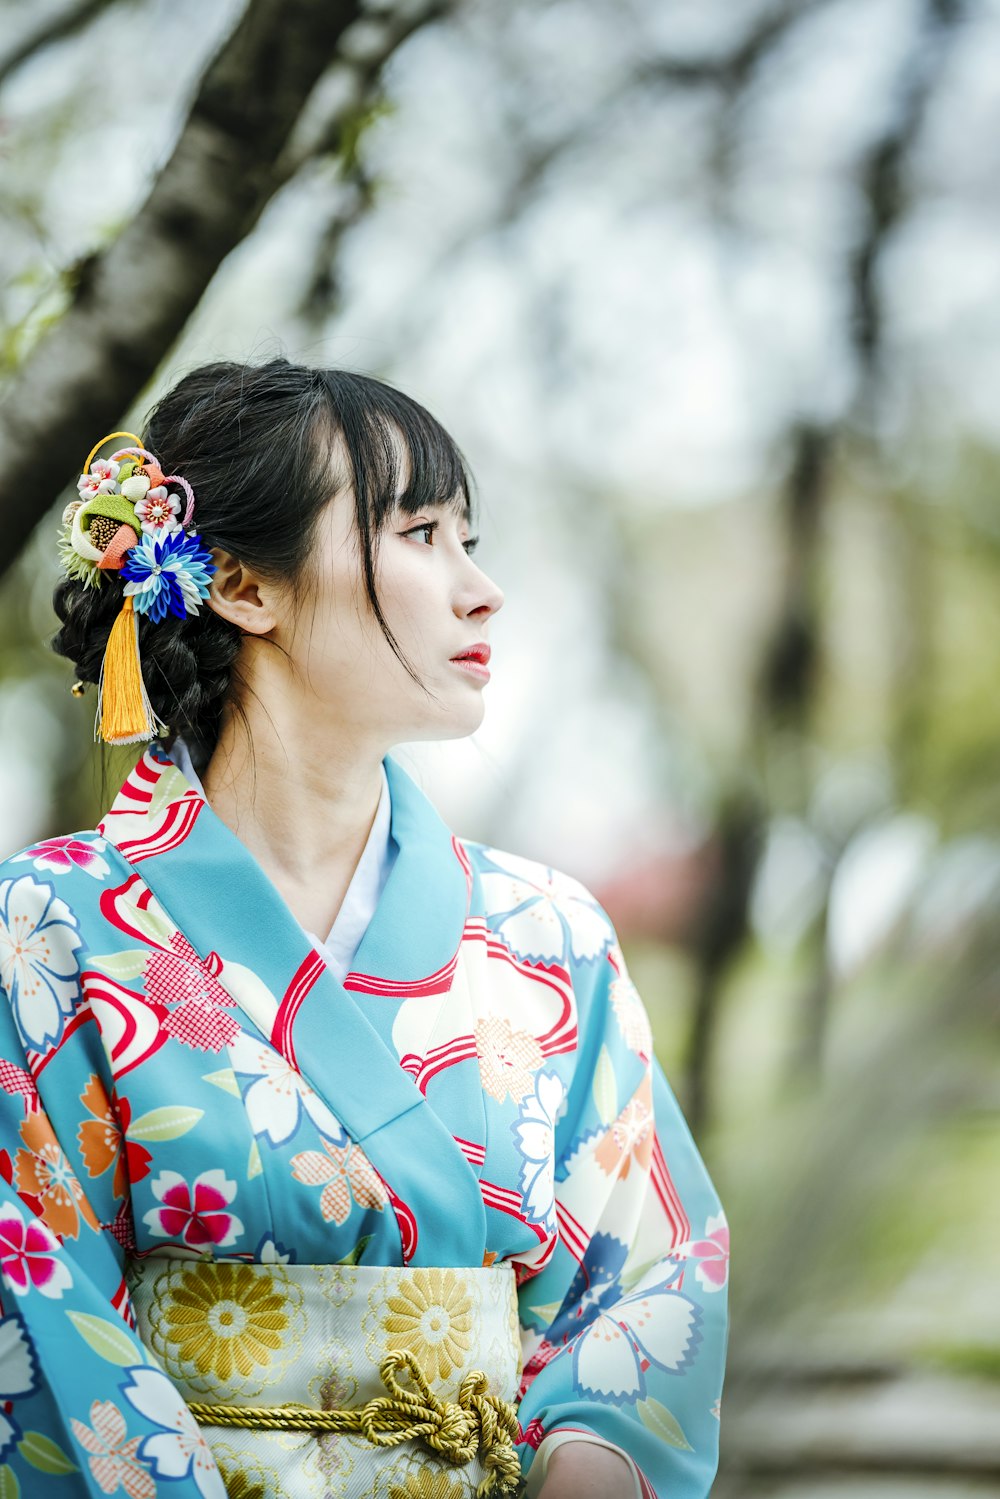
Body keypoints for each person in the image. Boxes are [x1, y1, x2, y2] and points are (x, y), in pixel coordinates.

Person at [0, 359, 728, 1498]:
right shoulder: (49, 932)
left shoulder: (549, 935)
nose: (478, 589)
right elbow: (37, 1308)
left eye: (470, 541)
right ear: (241, 582)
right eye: (421, 533)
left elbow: (647, 1277)